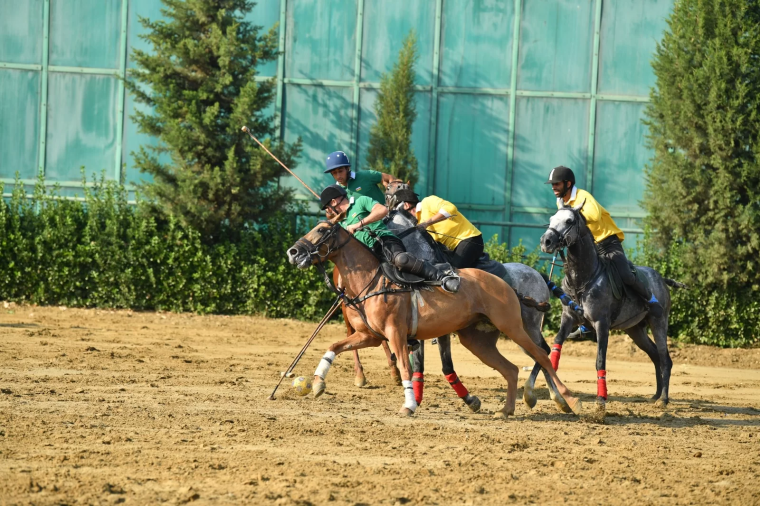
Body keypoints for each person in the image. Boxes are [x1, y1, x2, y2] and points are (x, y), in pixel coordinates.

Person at [546, 165, 663, 317]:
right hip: (589, 247)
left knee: (625, 274)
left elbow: (594, 215)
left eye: (557, 184)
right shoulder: (561, 201)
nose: (554, 187)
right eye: (552, 184)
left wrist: (573, 218)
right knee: (577, 280)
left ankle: (651, 301)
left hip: (607, 242)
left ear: (568, 184)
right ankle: (584, 318)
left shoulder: (583, 196)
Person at [320, 184, 459, 293]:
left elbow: (382, 210)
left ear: (333, 202)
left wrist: (359, 224)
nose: (328, 212)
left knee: (401, 260)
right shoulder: (341, 221)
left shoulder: (361, 201)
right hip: (369, 253)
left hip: (385, 240)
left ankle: (443, 277)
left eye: (327, 208)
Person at [388, 189, 484, 269]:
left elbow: (450, 208)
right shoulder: (418, 222)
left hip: (469, 239)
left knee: (453, 273)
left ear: (406, 205)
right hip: (454, 248)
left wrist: (427, 223)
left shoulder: (428, 202)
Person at [324, 151, 395, 204]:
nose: (338, 176)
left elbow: (390, 178)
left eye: (340, 171)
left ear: (347, 168)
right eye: (334, 173)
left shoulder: (366, 176)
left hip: (385, 220)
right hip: (360, 223)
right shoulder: (336, 192)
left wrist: (391, 194)